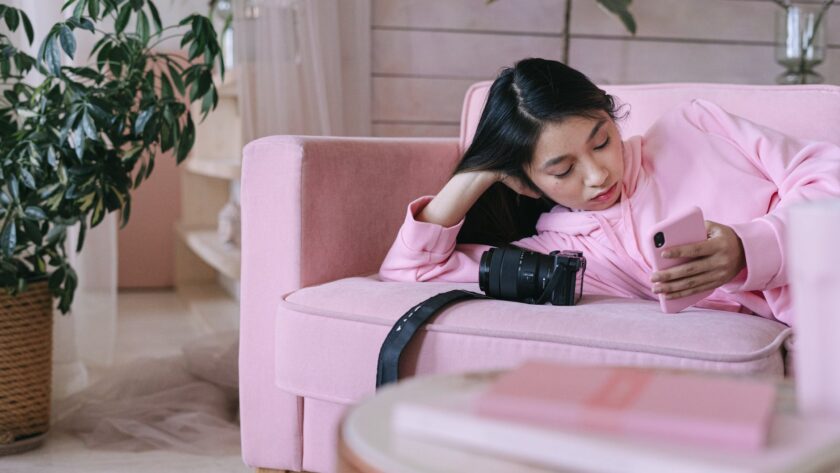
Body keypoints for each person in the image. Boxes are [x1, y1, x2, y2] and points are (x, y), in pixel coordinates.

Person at [378, 57, 840, 326]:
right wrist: (477, 173)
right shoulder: (561, 254)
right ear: (524, 181)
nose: (598, 174)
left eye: (601, 141)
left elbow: (829, 176)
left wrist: (749, 248)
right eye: (563, 170)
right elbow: (407, 273)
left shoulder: (695, 127)